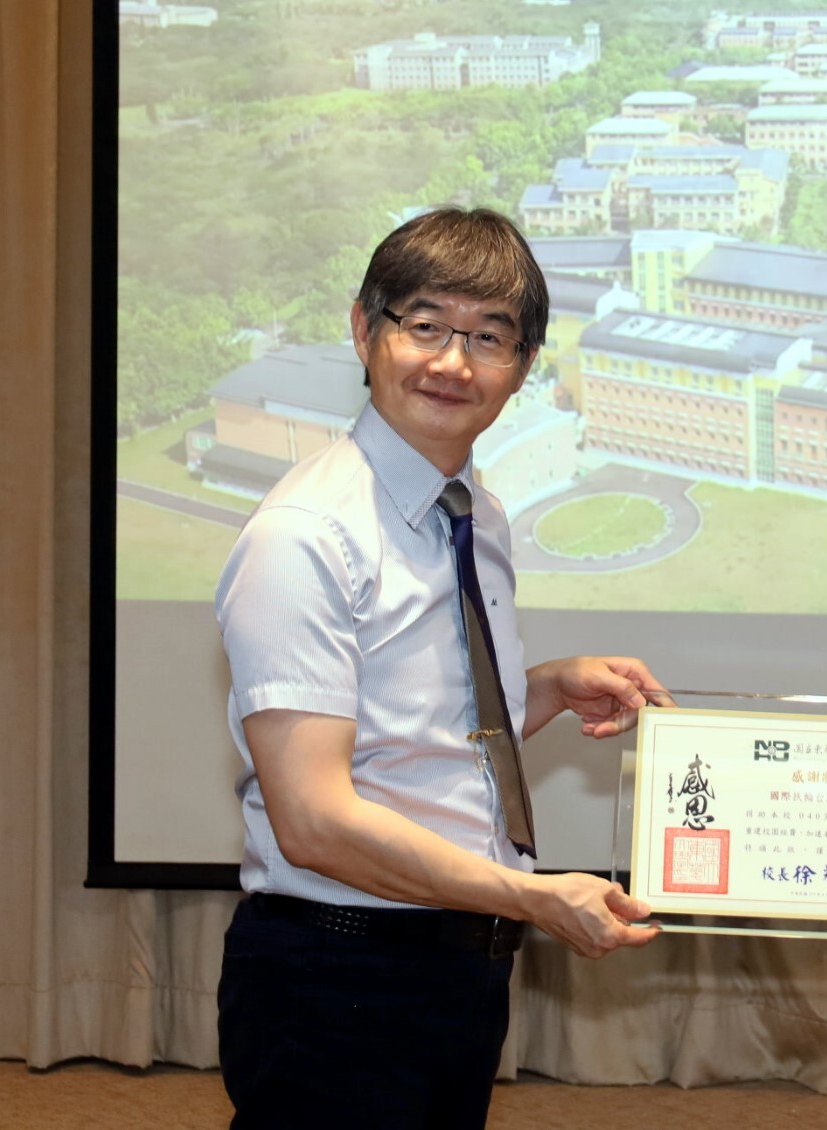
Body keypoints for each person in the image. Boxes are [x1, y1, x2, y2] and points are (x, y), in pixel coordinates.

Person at [214, 207, 663, 1128]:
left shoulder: (474, 511)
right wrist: (532, 898)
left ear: (523, 366)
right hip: (338, 971)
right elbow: (314, 821)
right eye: (425, 325)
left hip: (455, 963)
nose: (453, 363)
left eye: (489, 337)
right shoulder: (305, 537)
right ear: (364, 330)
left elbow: (416, 731)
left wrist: (546, 688)